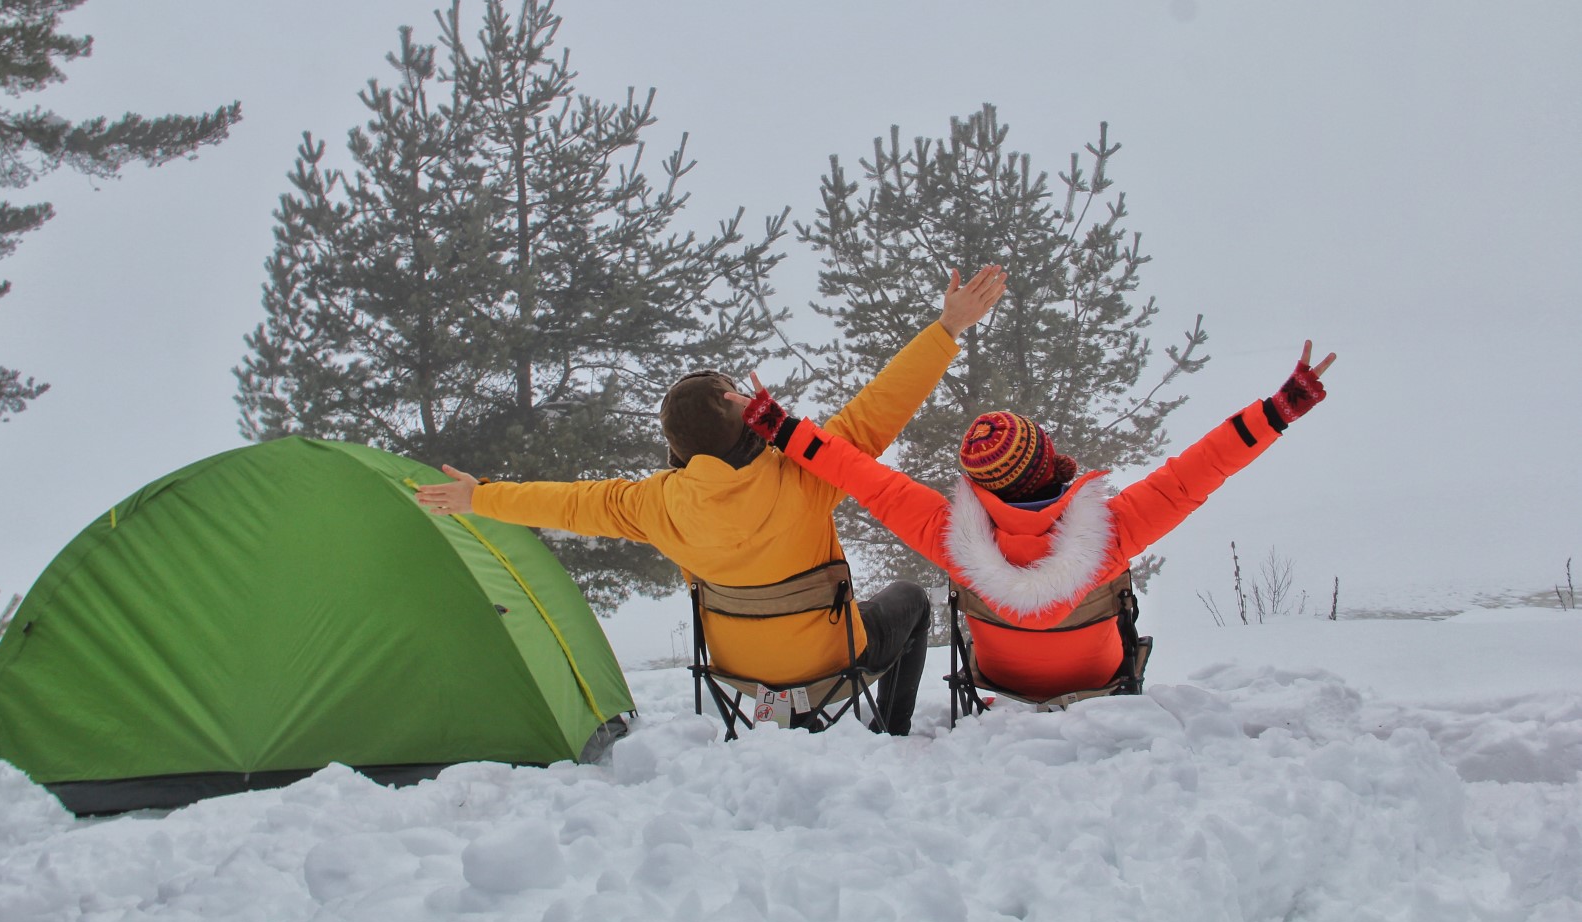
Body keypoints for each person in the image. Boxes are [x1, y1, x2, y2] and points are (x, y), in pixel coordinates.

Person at [415, 265, 1008, 735]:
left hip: (741, 679)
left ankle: (785, 719)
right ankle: (893, 733)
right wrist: (946, 329)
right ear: (750, 422)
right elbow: (880, 408)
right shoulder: (806, 474)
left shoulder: (655, 504)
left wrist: (482, 498)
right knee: (908, 599)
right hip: (834, 666)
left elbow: (566, 504)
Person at [728, 342, 1336, 699]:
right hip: (1098, 675)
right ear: (1050, 460)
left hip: (997, 673)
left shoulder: (950, 536)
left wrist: (782, 427)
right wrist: (1279, 411)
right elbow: (1197, 471)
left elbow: (861, 476)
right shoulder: (1113, 531)